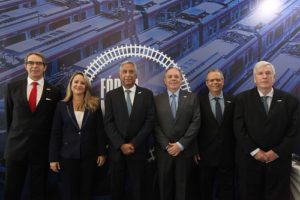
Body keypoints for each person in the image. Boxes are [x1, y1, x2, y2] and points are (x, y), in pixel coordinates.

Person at [234, 61, 299, 200]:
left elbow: (294, 131)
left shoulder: (291, 101)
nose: (264, 76)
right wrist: (255, 152)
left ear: (274, 78)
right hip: (249, 162)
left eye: (268, 73)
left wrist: (276, 152)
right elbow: (239, 129)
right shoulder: (241, 99)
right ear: (254, 78)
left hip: (278, 163)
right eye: (260, 73)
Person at [4, 52, 61, 200]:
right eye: (31, 63)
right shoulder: (12, 88)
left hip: (41, 151)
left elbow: (55, 124)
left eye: (38, 63)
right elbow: (10, 119)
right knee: (11, 191)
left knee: (39, 192)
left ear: (45, 67)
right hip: (16, 149)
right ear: (25, 66)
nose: (34, 66)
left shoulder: (54, 92)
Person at [49, 71, 106, 200]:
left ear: (86, 87)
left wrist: (102, 152)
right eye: (76, 82)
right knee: (69, 191)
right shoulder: (61, 106)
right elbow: (56, 133)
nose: (78, 85)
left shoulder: (94, 105)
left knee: (86, 190)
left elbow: (99, 131)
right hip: (67, 156)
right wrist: (53, 158)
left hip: (89, 156)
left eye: (82, 83)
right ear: (71, 85)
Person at [104, 61, 155, 200]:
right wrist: (121, 144)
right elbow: (108, 123)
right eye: (125, 72)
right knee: (116, 189)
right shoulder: (111, 95)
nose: (128, 75)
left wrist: (134, 143)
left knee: (138, 190)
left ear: (136, 74)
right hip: (117, 151)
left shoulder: (146, 94)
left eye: (131, 72)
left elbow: (150, 121)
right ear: (119, 74)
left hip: (138, 151)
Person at [154, 66, 201, 200]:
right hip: (164, 152)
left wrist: (180, 145)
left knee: (184, 189)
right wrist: (167, 145)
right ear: (164, 80)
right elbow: (154, 124)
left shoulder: (192, 98)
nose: (173, 79)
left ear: (181, 79)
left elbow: (196, 122)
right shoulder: (156, 99)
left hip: (184, 152)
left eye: (176, 76)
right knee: (165, 188)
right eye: (170, 76)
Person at [195, 69, 235, 200]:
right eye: (212, 80)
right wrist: (195, 149)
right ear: (206, 83)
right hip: (205, 156)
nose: (215, 82)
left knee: (227, 190)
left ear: (223, 81)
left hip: (228, 155)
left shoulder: (233, 100)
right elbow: (194, 127)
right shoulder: (198, 101)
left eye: (218, 79)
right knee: (205, 190)